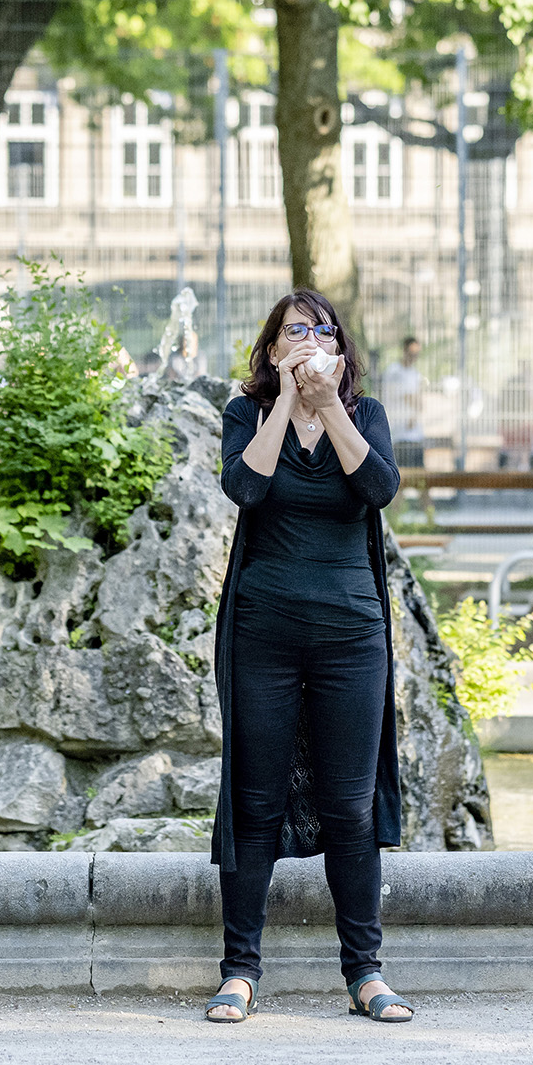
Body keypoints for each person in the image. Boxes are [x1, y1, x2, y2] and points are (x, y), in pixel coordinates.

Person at [208, 289, 414, 1027]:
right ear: (271, 351)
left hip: (349, 636)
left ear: (338, 348)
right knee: (254, 800)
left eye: (320, 330)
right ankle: (239, 970)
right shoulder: (243, 415)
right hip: (262, 632)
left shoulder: (363, 416)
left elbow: (379, 488)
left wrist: (327, 406)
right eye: (294, 331)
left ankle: (365, 971)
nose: (308, 339)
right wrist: (280, 408)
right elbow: (245, 486)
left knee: (349, 806)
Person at [379, 337, 425, 468]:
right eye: (412, 353)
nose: (414, 356)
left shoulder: (415, 374)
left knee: (421, 479)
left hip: (415, 434)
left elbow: (419, 401)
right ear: (404, 351)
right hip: (399, 435)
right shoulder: (394, 372)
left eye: (417, 353)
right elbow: (411, 398)